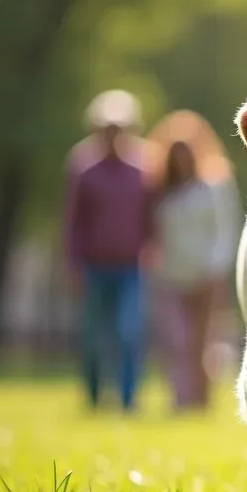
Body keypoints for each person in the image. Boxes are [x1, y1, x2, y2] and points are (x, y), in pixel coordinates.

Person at [64, 90, 155, 412]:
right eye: (107, 128)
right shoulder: (82, 167)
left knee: (129, 333)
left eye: (120, 128)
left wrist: (153, 249)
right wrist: (73, 264)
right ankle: (92, 396)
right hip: (93, 266)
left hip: (131, 267)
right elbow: (73, 221)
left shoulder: (143, 167)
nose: (113, 134)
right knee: (92, 337)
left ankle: (128, 399)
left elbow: (151, 216)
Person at [146, 110, 240, 412]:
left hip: (206, 276)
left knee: (202, 343)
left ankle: (199, 403)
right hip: (170, 277)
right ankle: (180, 399)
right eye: (175, 152)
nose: (181, 158)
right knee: (177, 342)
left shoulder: (214, 186)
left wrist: (216, 268)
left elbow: (225, 228)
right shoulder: (161, 191)